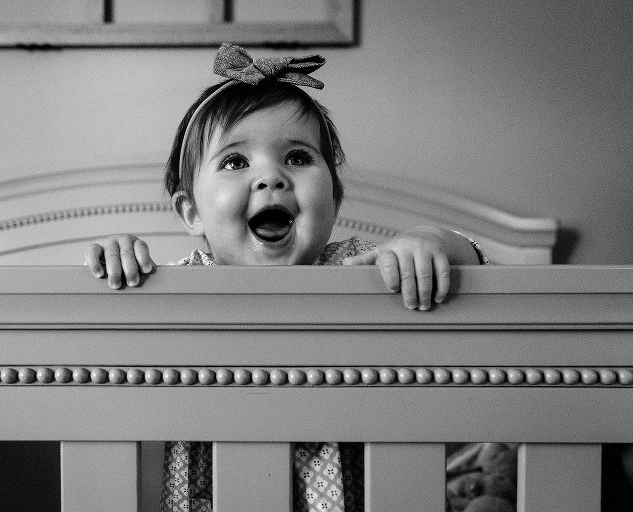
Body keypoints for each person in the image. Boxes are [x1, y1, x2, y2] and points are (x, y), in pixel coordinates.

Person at [85, 43, 488, 512]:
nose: (270, 177)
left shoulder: (357, 271)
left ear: (334, 201)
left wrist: (426, 242)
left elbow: (474, 257)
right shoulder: (178, 287)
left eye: (297, 157)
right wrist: (117, 262)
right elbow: (108, 343)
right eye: (236, 162)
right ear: (190, 210)